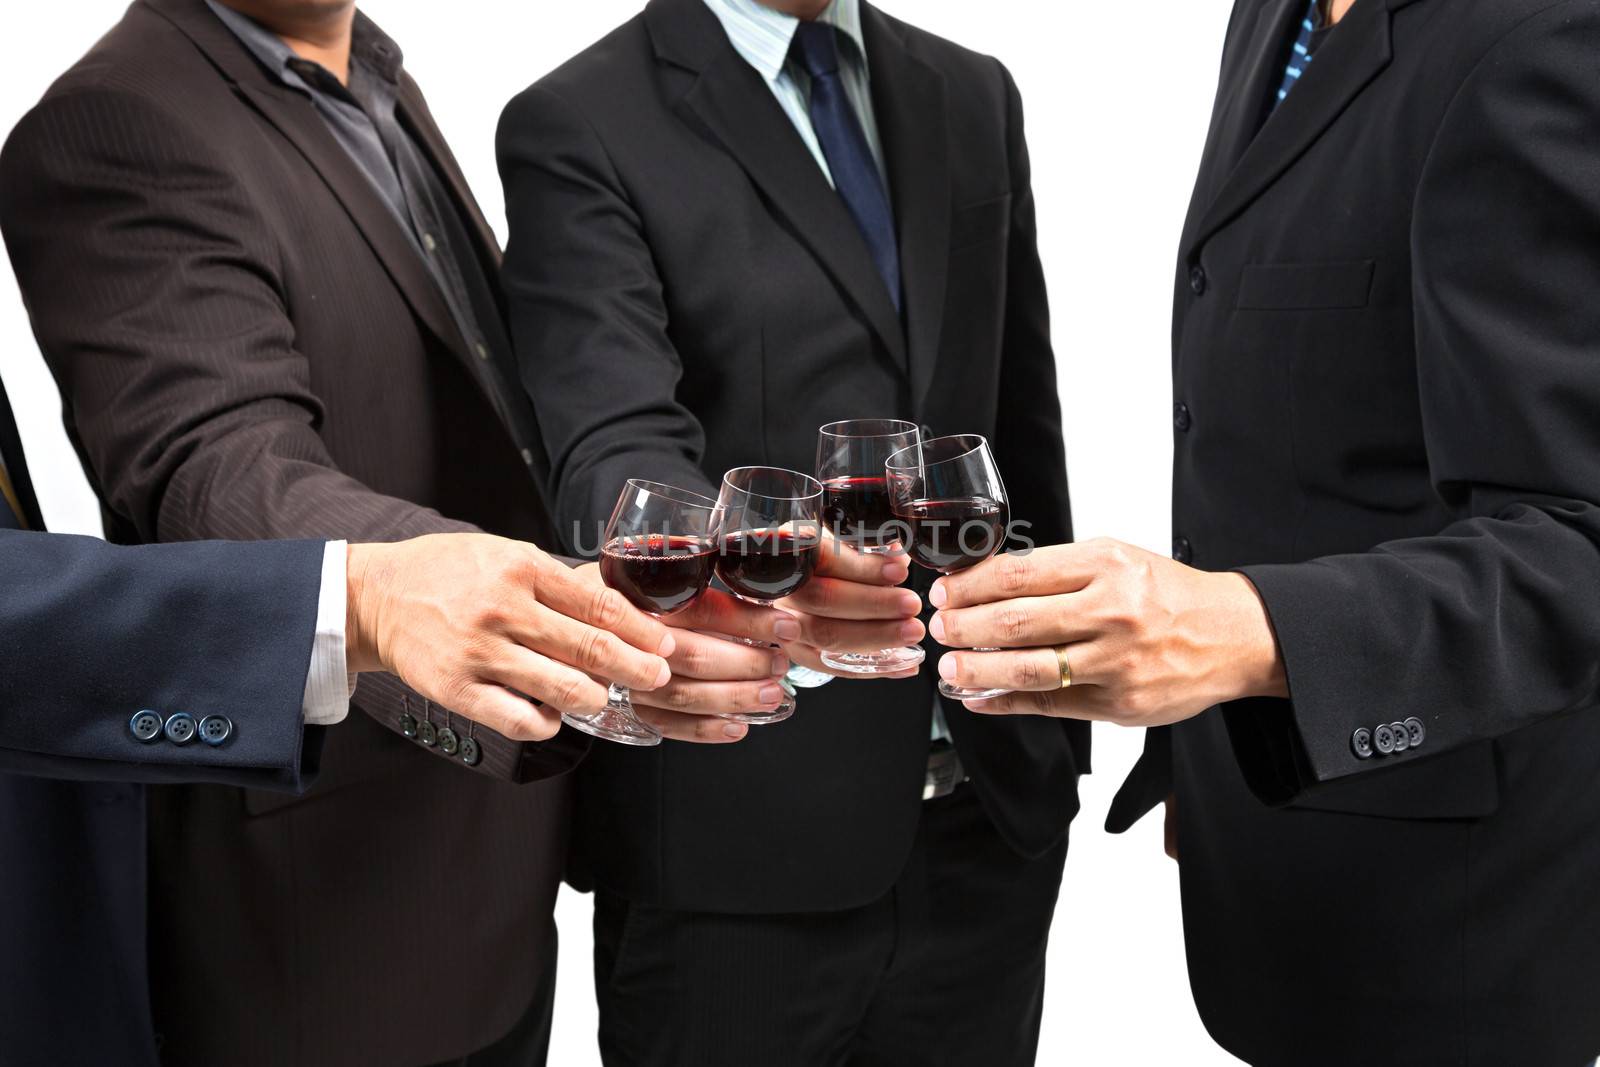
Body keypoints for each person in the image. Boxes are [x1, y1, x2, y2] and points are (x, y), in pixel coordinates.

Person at [0, 1, 878, 1063]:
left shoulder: (373, 78)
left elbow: (486, 428)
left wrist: (685, 564)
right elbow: (218, 469)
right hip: (328, 916)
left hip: (488, 854)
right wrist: (386, 586)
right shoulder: (113, 119)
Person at [921, 0, 1600, 1064]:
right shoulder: (1274, 15)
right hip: (1276, 844)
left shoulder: (1543, 39)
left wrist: (1246, 635)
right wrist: (1206, 753)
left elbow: (1578, 544)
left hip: (1453, 913)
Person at [497, 0, 1084, 1062]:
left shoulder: (971, 90)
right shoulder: (577, 120)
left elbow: (1015, 423)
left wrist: (1057, 729)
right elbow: (611, 446)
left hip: (989, 822)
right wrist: (761, 570)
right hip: (738, 845)